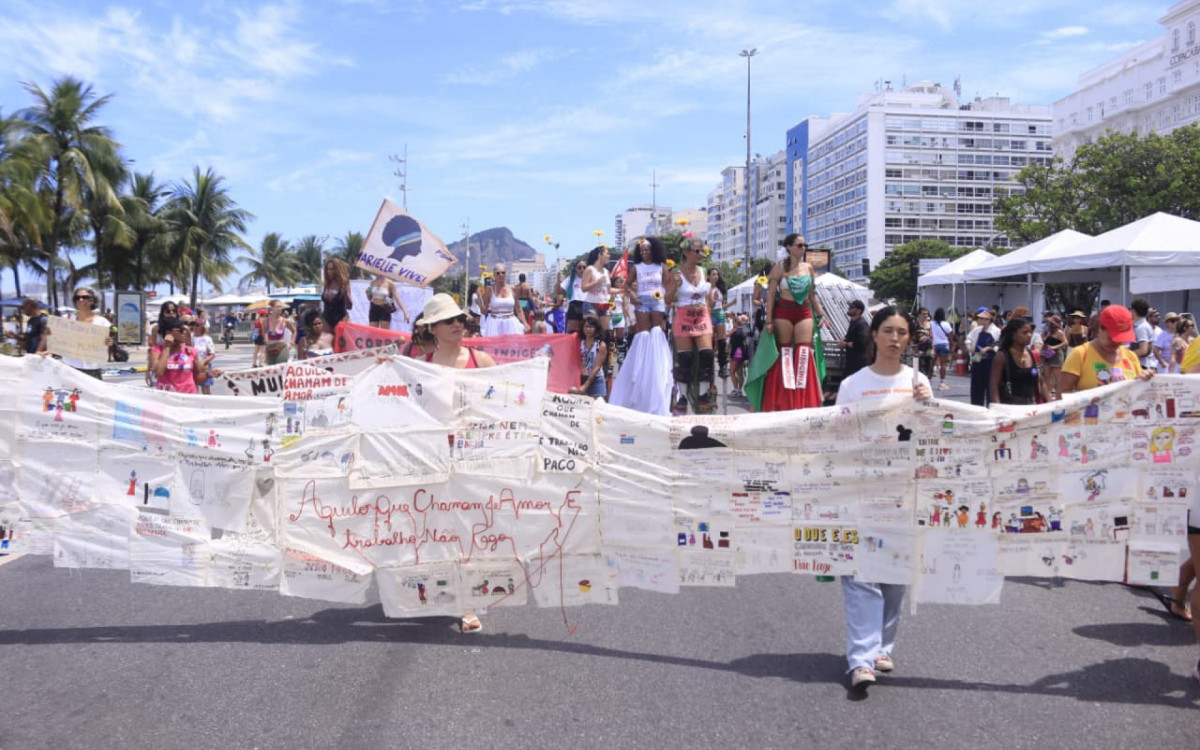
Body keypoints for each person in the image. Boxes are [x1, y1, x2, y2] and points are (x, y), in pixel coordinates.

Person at [835, 306, 932, 689]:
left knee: (895, 577)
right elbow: (839, 434)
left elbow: (932, 437)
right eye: (888, 330)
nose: (895, 338)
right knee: (860, 574)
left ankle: (881, 648)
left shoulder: (918, 381)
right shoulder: (854, 384)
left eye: (902, 332)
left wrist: (927, 404)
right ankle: (860, 659)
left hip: (904, 492)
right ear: (873, 335)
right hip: (862, 489)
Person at [757, 234, 827, 411]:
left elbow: (812, 295)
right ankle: (782, 401)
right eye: (799, 245)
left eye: (805, 245)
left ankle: (804, 401)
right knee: (785, 354)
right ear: (788, 247)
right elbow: (771, 295)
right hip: (783, 312)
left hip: (804, 311)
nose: (803, 248)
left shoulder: (809, 268)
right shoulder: (779, 268)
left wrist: (820, 315)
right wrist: (769, 320)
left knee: (804, 352)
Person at [609, 237, 673, 415]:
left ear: (654, 251)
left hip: (657, 301)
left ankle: (657, 362)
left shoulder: (661, 267)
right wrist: (633, 296)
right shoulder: (636, 268)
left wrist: (666, 296)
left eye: (647, 250)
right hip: (642, 301)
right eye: (642, 250)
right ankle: (641, 366)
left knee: (656, 331)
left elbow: (668, 283)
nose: (645, 252)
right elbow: (626, 285)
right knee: (643, 333)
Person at [667, 238, 717, 413]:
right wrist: (674, 284)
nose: (701, 254)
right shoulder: (677, 272)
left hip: (702, 316)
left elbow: (709, 300)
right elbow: (667, 300)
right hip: (684, 317)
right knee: (685, 358)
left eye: (702, 251)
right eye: (697, 251)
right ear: (686, 253)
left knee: (707, 354)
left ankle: (703, 394)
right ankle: (681, 397)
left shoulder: (704, 271)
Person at [1059, 304, 1153, 394]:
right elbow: (1062, 394)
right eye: (1112, 338)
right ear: (1100, 328)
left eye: (1121, 339)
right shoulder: (1080, 354)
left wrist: (1142, 381)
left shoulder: (1131, 357)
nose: (1116, 343)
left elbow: (1137, 396)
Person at [989, 316, 1049, 405]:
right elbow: (994, 386)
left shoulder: (1033, 354)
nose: (1029, 335)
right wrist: (997, 408)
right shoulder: (1002, 356)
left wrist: (1050, 402)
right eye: (1025, 332)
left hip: (1031, 407)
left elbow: (1041, 381)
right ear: (1013, 335)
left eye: (1030, 332)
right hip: (1011, 407)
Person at [151, 318, 206, 394]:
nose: (184, 333)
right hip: (166, 396)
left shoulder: (190, 350)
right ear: (168, 332)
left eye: (185, 331)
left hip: (188, 395)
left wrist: (208, 374)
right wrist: (167, 347)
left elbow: (198, 374)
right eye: (180, 330)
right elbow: (159, 372)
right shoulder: (157, 350)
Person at [480, 264, 530, 336]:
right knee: (495, 346)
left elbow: (518, 309)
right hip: (494, 324)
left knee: (512, 346)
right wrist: (479, 300)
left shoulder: (513, 289)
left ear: (506, 274)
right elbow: (484, 311)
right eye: (498, 273)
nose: (501, 275)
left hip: (511, 323)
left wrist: (525, 323)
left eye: (503, 272)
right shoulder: (490, 290)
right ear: (494, 275)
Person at [965, 307, 1000, 406]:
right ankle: (976, 406)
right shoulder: (977, 330)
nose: (982, 321)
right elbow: (968, 339)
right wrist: (969, 346)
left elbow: (999, 345)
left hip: (990, 362)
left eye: (985, 319)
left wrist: (988, 348)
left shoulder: (996, 331)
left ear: (990, 320)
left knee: (990, 385)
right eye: (980, 318)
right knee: (977, 386)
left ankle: (991, 406)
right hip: (977, 360)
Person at [571, 316, 608, 400]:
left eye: (591, 327)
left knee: (596, 408)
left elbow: (597, 367)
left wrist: (586, 385)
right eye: (586, 326)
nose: (588, 329)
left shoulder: (600, 345)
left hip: (596, 380)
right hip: (581, 378)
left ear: (596, 329)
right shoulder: (580, 343)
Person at [579, 246, 613, 331]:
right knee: (591, 330)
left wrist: (624, 290)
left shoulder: (606, 271)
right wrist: (596, 282)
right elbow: (583, 288)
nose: (609, 256)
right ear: (599, 255)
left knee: (604, 332)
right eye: (607, 253)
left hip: (604, 304)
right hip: (591, 304)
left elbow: (609, 290)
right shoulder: (590, 269)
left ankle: (602, 344)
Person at [708, 267, 730, 380]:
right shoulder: (706, 289)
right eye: (713, 274)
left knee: (722, 341)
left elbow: (722, 304)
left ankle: (723, 366)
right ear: (708, 276)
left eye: (717, 274)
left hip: (720, 313)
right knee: (710, 342)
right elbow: (709, 305)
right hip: (710, 314)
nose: (716, 276)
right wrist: (713, 299)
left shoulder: (720, 288)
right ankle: (709, 366)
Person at [321, 258, 353, 331]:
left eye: (332, 269)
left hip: (341, 319)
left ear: (337, 270)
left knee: (340, 342)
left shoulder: (344, 284)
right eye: (328, 269)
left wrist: (345, 294)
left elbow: (349, 306)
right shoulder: (327, 284)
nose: (329, 272)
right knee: (326, 341)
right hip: (326, 319)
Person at [841, 300, 870, 379]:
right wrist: (845, 339)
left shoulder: (861, 324)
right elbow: (852, 336)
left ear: (858, 311)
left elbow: (864, 341)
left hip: (859, 362)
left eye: (852, 307)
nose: (849, 308)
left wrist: (847, 344)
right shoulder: (854, 322)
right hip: (851, 360)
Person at [1040, 315, 1068, 397]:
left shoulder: (1059, 332)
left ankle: (1059, 393)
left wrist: (1054, 347)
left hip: (1056, 355)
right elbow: (1046, 343)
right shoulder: (1050, 331)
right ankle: (1048, 393)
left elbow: (1065, 342)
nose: (1050, 324)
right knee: (1046, 375)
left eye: (1051, 322)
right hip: (1048, 355)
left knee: (1057, 376)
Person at [262, 300, 296, 366]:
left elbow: (294, 330)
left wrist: (291, 343)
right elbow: (264, 332)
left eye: (280, 307)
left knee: (280, 367)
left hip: (281, 347)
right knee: (271, 370)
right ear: (272, 308)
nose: (279, 309)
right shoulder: (265, 321)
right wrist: (266, 341)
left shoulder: (285, 321)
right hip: (270, 348)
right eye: (277, 307)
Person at [190, 319, 218, 394]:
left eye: (197, 325)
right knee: (194, 388)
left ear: (202, 327)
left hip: (204, 366)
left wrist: (203, 362)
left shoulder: (207, 339)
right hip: (192, 366)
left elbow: (212, 354)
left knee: (205, 388)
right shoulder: (189, 337)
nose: (194, 327)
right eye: (193, 325)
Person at [929, 307, 954, 390]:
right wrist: (952, 347)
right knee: (943, 365)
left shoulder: (931, 323)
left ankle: (929, 380)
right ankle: (942, 383)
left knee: (931, 363)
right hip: (944, 344)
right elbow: (950, 337)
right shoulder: (946, 324)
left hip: (934, 344)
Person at [1129, 299, 1156, 372]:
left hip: (1143, 366)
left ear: (1134, 311)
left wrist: (1127, 355)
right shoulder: (1141, 326)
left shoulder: (1142, 328)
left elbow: (1143, 350)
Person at [914, 308, 934, 379]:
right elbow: (912, 335)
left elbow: (931, 335)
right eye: (924, 314)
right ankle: (918, 380)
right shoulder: (915, 323)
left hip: (928, 347)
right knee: (920, 364)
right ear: (919, 315)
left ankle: (927, 380)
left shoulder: (928, 323)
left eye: (927, 314)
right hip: (918, 347)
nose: (926, 315)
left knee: (928, 363)